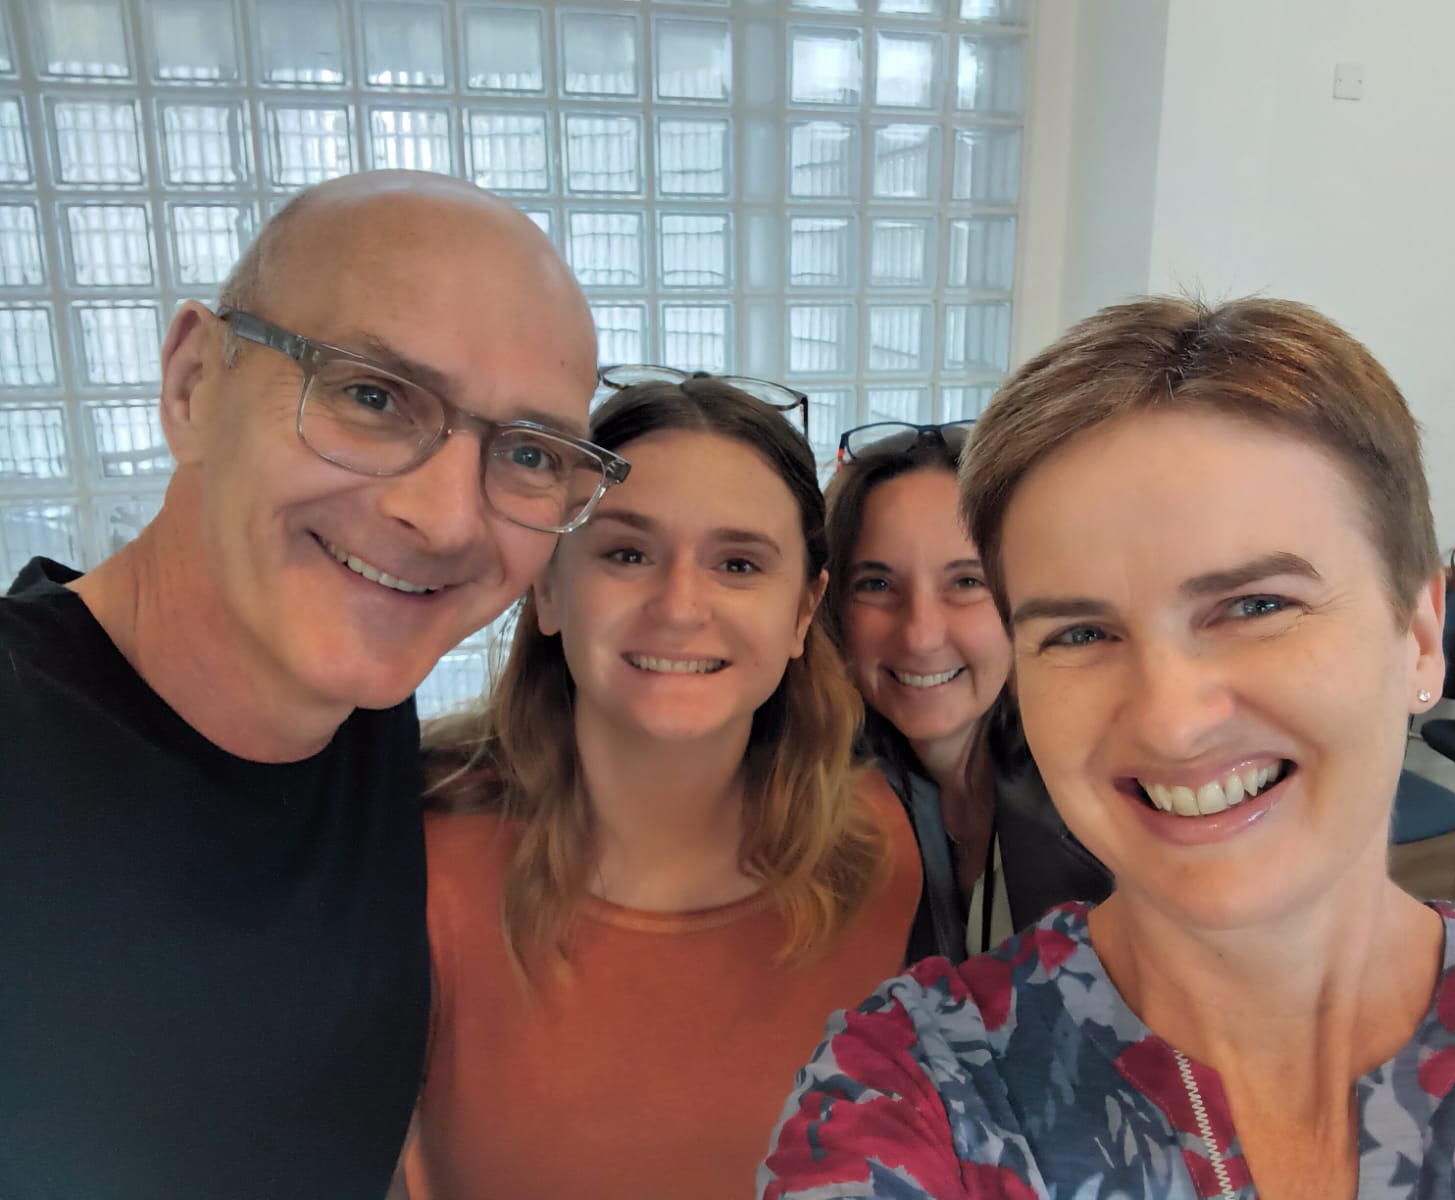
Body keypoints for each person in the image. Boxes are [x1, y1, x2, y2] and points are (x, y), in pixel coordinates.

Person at [762, 297, 1455, 1197]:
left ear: (1423, 636)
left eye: (1255, 606)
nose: (1171, 721)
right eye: (1080, 633)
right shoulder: (911, 1090)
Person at [0, 171, 620, 1200]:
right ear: (194, 381)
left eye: (525, 452)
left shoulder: (366, 715)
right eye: (371, 395)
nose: (447, 519)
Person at [403, 378, 922, 1200]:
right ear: (547, 585)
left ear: (802, 612)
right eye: (627, 553)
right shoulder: (418, 860)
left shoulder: (886, 849)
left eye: (739, 563)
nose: (681, 606)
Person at [824, 422, 1111, 962]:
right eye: (877, 584)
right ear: (833, 607)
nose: (922, 635)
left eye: (966, 581)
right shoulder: (795, 808)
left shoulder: (1113, 789)